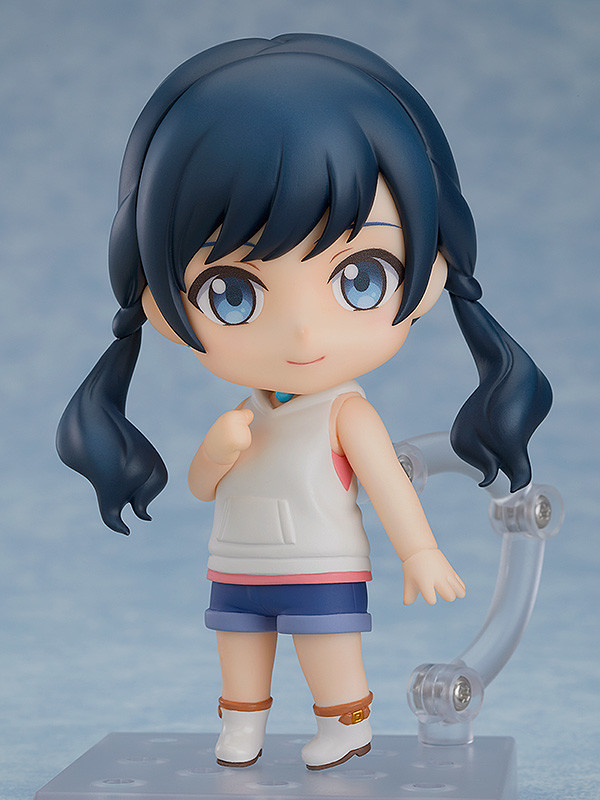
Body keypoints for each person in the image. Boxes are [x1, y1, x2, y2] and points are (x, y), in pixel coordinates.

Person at [57, 34, 552, 770]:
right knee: (239, 646)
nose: (301, 334)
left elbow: (386, 484)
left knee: (328, 648)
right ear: (158, 305)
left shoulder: (346, 413)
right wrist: (216, 452)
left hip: (323, 559)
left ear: (434, 272)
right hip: (238, 557)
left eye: (360, 278)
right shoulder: (246, 413)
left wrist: (419, 552)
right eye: (232, 292)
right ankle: (242, 724)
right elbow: (202, 487)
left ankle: (345, 725)